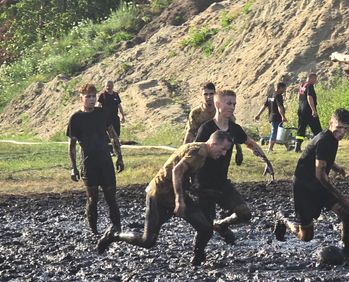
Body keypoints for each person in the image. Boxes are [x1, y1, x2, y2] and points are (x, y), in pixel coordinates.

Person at [97, 131, 233, 266]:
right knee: (147, 241)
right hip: (159, 195)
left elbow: (189, 178)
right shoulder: (198, 152)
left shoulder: (201, 152)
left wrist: (203, 192)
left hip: (175, 194)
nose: (224, 154)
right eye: (223, 149)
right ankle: (114, 236)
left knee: (205, 228)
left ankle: (198, 258)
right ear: (214, 143)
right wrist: (179, 200)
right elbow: (177, 171)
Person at [195, 89, 275, 245]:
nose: (232, 107)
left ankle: (222, 224)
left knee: (244, 213)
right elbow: (194, 154)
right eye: (228, 103)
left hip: (222, 182)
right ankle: (197, 257)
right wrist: (189, 179)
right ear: (218, 104)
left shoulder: (234, 129)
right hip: (203, 184)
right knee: (205, 228)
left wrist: (266, 161)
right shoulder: (206, 129)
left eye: (234, 104)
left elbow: (250, 143)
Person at [274, 108, 349, 257]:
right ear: (330, 124)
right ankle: (283, 218)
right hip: (304, 187)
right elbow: (321, 175)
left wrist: (336, 167)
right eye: (338, 128)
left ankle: (346, 252)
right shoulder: (325, 139)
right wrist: (341, 197)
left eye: (345, 129)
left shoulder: (332, 139)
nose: (342, 132)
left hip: (319, 186)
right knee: (306, 236)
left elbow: (321, 158)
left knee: (347, 215)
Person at [67, 83, 124, 235]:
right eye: (88, 97)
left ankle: (117, 230)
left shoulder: (102, 113)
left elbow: (113, 136)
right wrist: (73, 167)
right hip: (88, 163)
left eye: (93, 96)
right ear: (82, 98)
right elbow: (72, 146)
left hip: (105, 161)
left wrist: (119, 157)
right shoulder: (76, 118)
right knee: (92, 200)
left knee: (111, 198)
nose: (91, 99)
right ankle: (94, 232)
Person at [184, 82, 243, 165]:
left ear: (215, 95)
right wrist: (184, 152)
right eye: (205, 94)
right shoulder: (196, 113)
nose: (208, 97)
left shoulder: (222, 111)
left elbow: (233, 131)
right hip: (202, 147)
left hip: (219, 149)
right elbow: (190, 133)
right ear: (201, 95)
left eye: (211, 94)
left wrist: (239, 150)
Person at [254, 82, 288, 152]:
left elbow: (264, 106)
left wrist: (258, 114)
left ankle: (288, 147)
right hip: (277, 117)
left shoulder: (270, 96)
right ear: (280, 88)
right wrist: (283, 116)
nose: (284, 90)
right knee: (275, 132)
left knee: (282, 132)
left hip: (271, 117)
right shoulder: (278, 96)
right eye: (284, 88)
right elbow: (280, 106)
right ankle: (270, 148)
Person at [295, 72, 322, 153]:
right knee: (317, 129)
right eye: (315, 79)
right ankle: (319, 146)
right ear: (311, 78)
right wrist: (313, 110)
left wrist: (300, 105)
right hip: (308, 110)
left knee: (301, 129)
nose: (316, 81)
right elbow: (309, 97)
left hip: (301, 110)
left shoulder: (302, 85)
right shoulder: (310, 86)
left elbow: (299, 96)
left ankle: (297, 146)